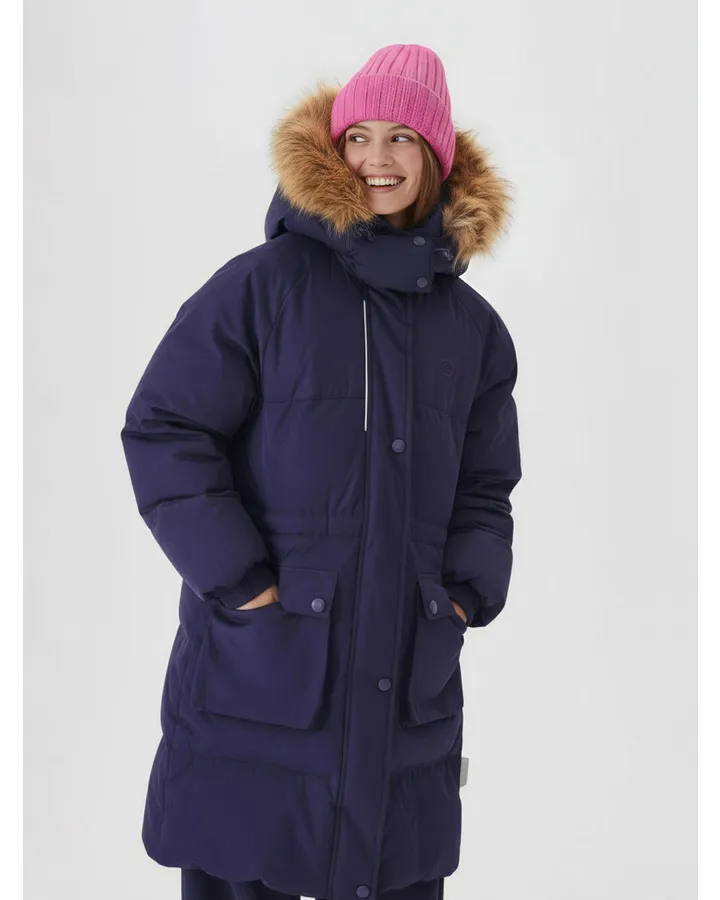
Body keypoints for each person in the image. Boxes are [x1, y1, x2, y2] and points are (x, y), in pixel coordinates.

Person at [120, 43, 522, 900]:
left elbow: (487, 488)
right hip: (263, 667)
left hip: (406, 677)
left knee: (391, 867)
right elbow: (165, 427)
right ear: (332, 151)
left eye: (402, 137)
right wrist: (241, 581)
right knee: (245, 864)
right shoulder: (261, 288)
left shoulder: (474, 330)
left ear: (436, 157)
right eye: (359, 137)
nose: (378, 158)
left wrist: (461, 594)